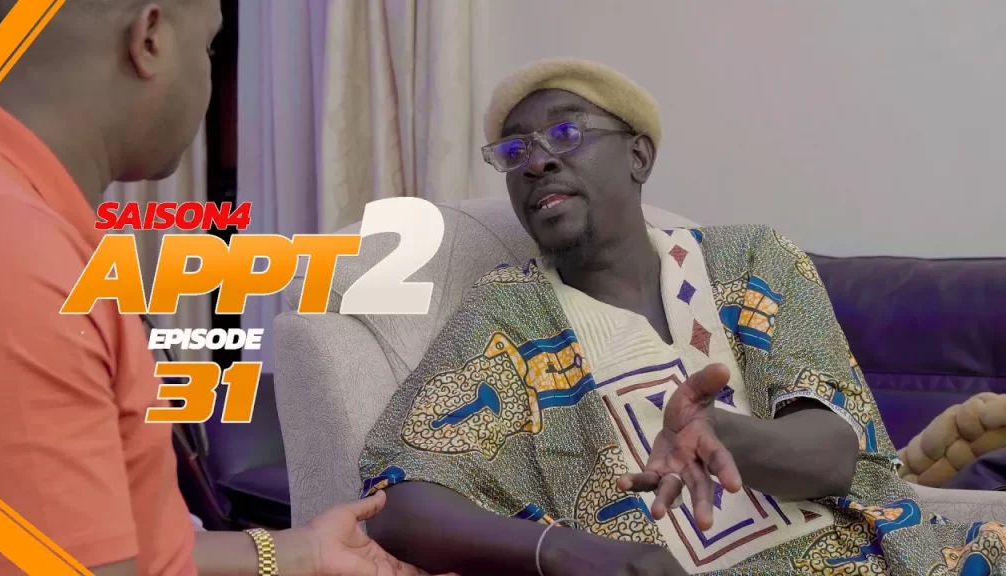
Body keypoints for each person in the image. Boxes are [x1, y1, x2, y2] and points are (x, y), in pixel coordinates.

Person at [358, 58, 1006, 576]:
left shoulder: (750, 261)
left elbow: (836, 456)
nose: (536, 161)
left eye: (565, 133)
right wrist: (568, 552)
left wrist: (723, 433)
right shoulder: (507, 314)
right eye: (513, 150)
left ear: (638, 157)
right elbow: (398, 501)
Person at [0, 2, 450, 575]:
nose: (209, 79)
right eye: (208, 47)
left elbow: (131, 550)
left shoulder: (33, 228)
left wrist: (305, 552)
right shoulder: (17, 259)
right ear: (150, 38)